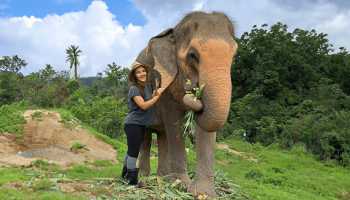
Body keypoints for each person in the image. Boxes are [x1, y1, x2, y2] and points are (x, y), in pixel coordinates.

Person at [121, 61, 164, 185]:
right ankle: (132, 180)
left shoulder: (147, 86)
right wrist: (157, 97)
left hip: (140, 124)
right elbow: (144, 106)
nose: (141, 74)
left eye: (143, 71)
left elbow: (151, 96)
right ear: (134, 76)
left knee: (131, 150)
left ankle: (124, 175)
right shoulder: (134, 89)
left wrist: (156, 92)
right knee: (134, 152)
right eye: (138, 72)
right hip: (133, 124)